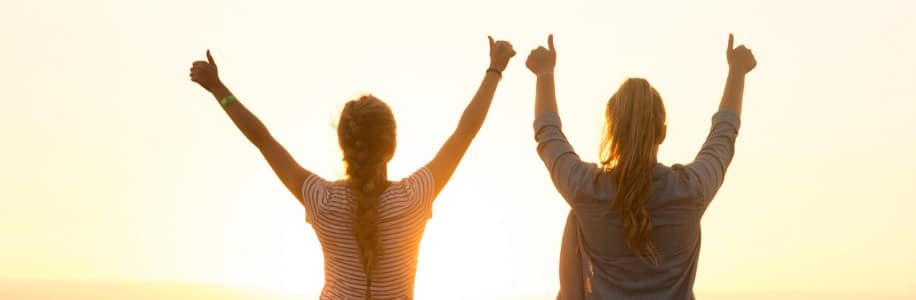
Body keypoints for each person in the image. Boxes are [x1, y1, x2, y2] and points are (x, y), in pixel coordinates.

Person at [188, 37, 516, 300]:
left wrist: (220, 90)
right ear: (392, 147)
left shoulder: (322, 200)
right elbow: (465, 132)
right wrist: (495, 70)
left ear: (343, 145)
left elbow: (263, 140)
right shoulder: (414, 197)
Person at [526, 33, 757, 299]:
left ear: (611, 131)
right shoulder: (691, 191)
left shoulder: (585, 189)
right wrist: (737, 71)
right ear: (663, 132)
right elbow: (723, 136)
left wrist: (544, 74)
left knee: (576, 217)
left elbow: (548, 134)